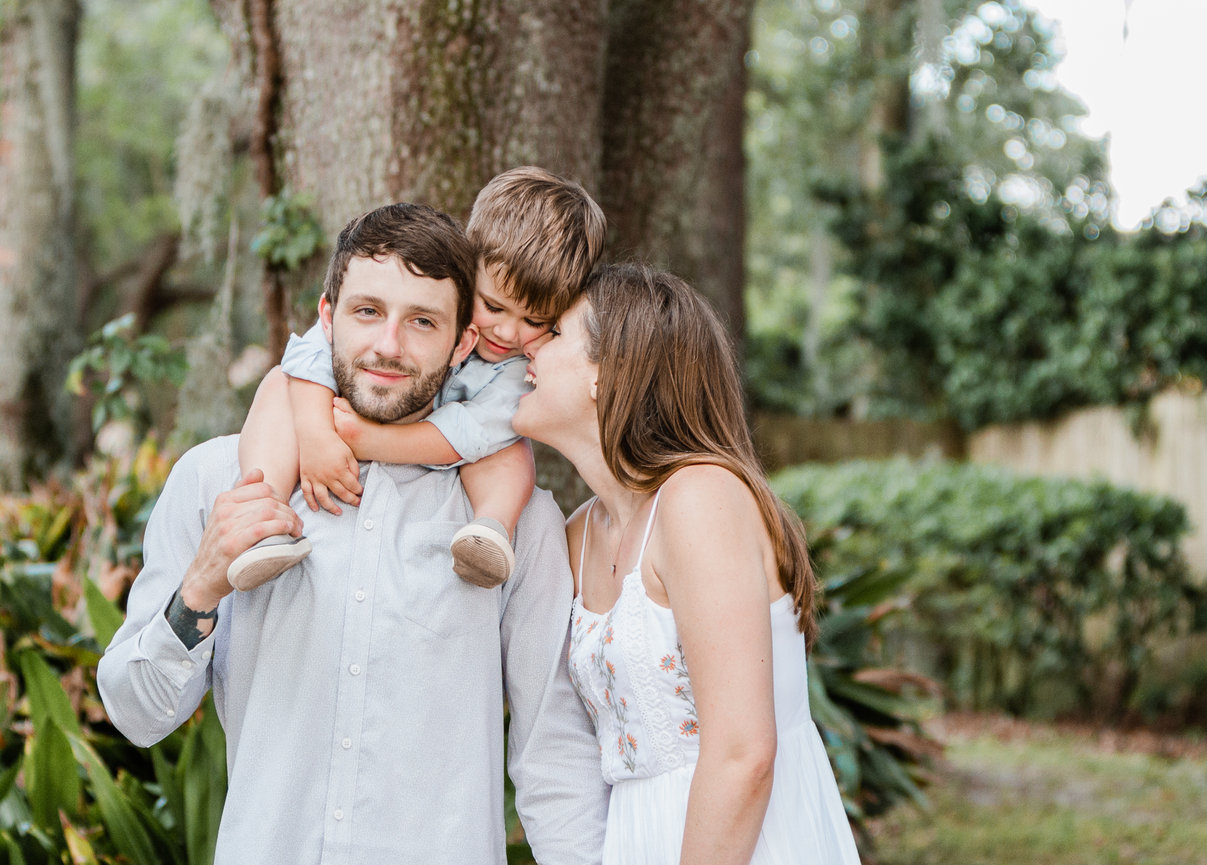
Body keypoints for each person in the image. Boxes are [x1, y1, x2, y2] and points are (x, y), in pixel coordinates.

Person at [97, 203, 608, 865]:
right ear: (327, 316)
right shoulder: (217, 479)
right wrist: (199, 587)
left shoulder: (515, 523)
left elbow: (554, 751)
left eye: (422, 321)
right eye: (368, 311)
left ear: (462, 343)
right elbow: (138, 716)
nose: (389, 345)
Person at [512, 262, 861, 865]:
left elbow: (743, 754)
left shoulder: (700, 497)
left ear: (607, 370)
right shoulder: (577, 536)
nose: (526, 346)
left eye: (554, 333)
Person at [230, 167, 605, 591]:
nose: (506, 333)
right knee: (281, 383)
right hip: (345, 420)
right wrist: (316, 433)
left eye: (534, 319)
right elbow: (310, 353)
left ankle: (490, 529)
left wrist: (368, 439)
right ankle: (264, 515)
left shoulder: (521, 367)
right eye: (493, 306)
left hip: (448, 447)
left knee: (510, 448)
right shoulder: (420, 297)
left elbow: (472, 433)